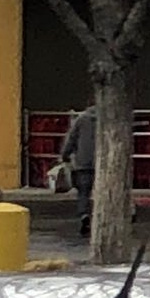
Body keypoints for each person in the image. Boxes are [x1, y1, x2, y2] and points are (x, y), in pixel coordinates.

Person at [59, 104, 99, 244]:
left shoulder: (81, 119)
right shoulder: (108, 119)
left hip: (83, 161)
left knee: (83, 191)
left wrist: (65, 155)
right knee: (103, 192)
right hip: (103, 162)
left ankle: (84, 214)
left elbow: (71, 139)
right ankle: (99, 216)